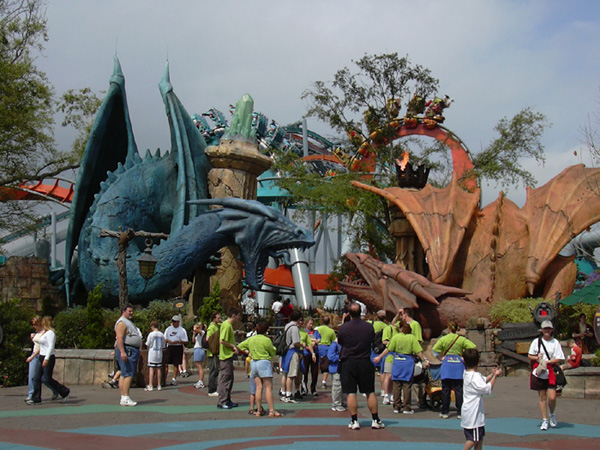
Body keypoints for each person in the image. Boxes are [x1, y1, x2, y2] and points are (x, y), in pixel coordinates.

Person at [337, 302, 385, 430]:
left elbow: (340, 342)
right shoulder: (369, 327)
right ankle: (375, 419)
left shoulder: (344, 328)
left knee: (351, 392)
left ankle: (354, 421)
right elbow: (372, 340)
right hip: (364, 360)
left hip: (349, 362)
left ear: (348, 313)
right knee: (370, 391)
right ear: (361, 313)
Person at [374, 320, 429, 414]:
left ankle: (396, 406)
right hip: (407, 362)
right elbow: (418, 351)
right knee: (407, 385)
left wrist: (379, 357)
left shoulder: (396, 337)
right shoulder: (412, 338)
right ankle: (407, 407)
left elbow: (388, 349)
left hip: (397, 361)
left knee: (397, 385)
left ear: (400, 328)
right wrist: (424, 360)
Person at [432, 322, 476, 419]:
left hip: (447, 364)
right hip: (458, 365)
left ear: (448, 328)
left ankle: (445, 411)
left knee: (446, 390)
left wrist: (440, 358)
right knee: (459, 390)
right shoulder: (461, 339)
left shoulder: (443, 339)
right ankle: (460, 412)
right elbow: (473, 346)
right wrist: (464, 357)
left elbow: (435, 349)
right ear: (457, 329)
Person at [237, 321, 282, 417]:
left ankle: (258, 410)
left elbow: (240, 346)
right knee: (268, 387)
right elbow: (273, 352)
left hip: (254, 362)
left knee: (258, 388)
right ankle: (271, 410)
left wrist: (247, 352)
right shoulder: (266, 340)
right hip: (264, 363)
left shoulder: (251, 339)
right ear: (266, 330)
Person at [461, 348, 502, 450]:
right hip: (473, 415)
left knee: (479, 439)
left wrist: (491, 375)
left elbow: (482, 381)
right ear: (479, 361)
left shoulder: (467, 374)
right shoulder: (474, 377)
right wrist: (495, 376)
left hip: (471, 414)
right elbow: (487, 389)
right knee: (473, 440)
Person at [528, 320, 565, 430]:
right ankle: (545, 420)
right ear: (542, 330)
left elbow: (560, 358)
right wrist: (537, 358)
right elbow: (530, 355)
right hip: (540, 370)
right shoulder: (536, 342)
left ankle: (552, 414)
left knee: (552, 397)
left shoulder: (555, 343)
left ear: (551, 330)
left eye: (549, 329)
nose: (547, 331)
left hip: (551, 370)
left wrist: (550, 361)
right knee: (542, 396)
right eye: (545, 329)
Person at [27, 316, 71, 406]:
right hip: (41, 356)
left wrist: (46, 359)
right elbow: (39, 343)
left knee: (47, 378)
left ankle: (65, 391)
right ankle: (36, 398)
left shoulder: (51, 333)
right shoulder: (44, 333)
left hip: (48, 357)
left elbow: (50, 347)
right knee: (36, 377)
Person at [114, 304, 142, 406]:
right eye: (129, 311)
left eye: (132, 311)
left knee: (124, 374)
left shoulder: (127, 322)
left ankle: (124, 397)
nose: (131, 313)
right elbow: (119, 338)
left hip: (130, 349)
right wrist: (123, 352)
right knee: (128, 373)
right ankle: (125, 397)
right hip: (128, 349)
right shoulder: (122, 322)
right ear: (123, 311)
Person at [25, 316, 58, 403]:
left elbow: (44, 347)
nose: (34, 326)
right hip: (35, 354)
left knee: (45, 378)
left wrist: (36, 357)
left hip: (41, 355)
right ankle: (32, 395)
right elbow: (36, 344)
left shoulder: (46, 333)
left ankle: (57, 390)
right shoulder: (37, 333)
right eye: (32, 324)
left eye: (35, 324)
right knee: (33, 377)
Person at [217, 307, 241, 409]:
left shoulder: (228, 325)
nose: (239, 318)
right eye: (239, 316)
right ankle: (222, 401)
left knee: (229, 378)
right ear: (234, 315)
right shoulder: (227, 325)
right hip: (225, 357)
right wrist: (232, 346)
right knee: (225, 379)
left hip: (228, 355)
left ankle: (227, 399)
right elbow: (222, 340)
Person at [280, 310, 303, 403]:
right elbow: (296, 342)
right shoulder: (294, 328)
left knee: (285, 373)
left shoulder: (287, 325)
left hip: (286, 351)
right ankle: (289, 394)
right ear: (299, 319)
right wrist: (303, 345)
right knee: (291, 374)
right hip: (293, 352)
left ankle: (283, 392)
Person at [163, 315, 189, 386]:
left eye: (175, 322)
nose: (174, 323)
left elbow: (186, 341)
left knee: (176, 363)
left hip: (178, 347)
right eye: (173, 321)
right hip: (170, 346)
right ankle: (164, 378)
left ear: (178, 322)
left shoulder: (182, 330)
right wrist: (168, 341)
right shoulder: (168, 329)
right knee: (166, 363)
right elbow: (164, 338)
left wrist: (179, 341)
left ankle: (174, 378)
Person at [301, 318, 320, 396]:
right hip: (306, 353)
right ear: (306, 324)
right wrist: (311, 343)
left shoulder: (316, 332)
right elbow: (304, 342)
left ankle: (313, 389)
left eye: (312, 324)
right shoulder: (304, 332)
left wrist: (315, 341)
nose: (311, 325)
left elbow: (318, 340)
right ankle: (303, 389)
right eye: (310, 324)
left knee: (315, 372)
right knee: (305, 371)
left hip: (315, 353)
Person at [316, 315, 336, 388]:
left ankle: (314, 380)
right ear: (329, 322)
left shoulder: (318, 329)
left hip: (318, 347)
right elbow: (334, 341)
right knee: (326, 366)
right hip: (327, 348)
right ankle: (323, 381)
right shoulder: (331, 331)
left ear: (322, 321)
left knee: (317, 365)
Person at [327, 339, 347, 412]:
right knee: (337, 386)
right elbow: (331, 357)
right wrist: (342, 357)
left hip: (343, 368)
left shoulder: (343, 344)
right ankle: (336, 404)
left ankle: (343, 403)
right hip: (336, 369)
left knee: (344, 386)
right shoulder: (334, 345)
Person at [145, 321, 165, 391]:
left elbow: (148, 344)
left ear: (152, 326)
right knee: (159, 368)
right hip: (159, 352)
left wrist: (148, 350)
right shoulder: (161, 334)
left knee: (151, 368)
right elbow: (163, 345)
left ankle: (151, 385)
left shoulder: (151, 334)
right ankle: (159, 385)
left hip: (152, 352)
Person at [206, 311, 222, 396]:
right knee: (213, 370)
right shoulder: (211, 327)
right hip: (212, 352)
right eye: (218, 318)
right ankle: (211, 390)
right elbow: (208, 338)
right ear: (214, 318)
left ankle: (214, 388)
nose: (220, 320)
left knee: (216, 370)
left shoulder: (218, 326)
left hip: (216, 352)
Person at [192, 322, 206, 389]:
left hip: (199, 349)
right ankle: (200, 380)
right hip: (196, 348)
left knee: (199, 366)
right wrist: (194, 334)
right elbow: (193, 341)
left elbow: (195, 329)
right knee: (198, 365)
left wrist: (195, 328)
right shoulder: (198, 334)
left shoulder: (202, 332)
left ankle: (201, 381)